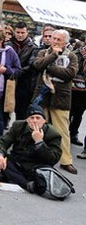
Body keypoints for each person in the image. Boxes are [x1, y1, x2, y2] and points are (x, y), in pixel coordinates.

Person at [32, 29, 79, 175]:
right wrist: (53, 55)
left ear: (65, 42)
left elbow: (69, 74)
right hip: (42, 95)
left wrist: (50, 68)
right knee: (38, 127)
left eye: (59, 40)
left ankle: (66, 161)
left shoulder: (72, 56)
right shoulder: (43, 53)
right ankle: (38, 156)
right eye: (54, 38)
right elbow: (38, 66)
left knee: (63, 131)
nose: (55, 42)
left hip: (61, 98)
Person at [0, 104, 61, 194]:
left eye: (38, 118)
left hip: (36, 167)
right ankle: (26, 183)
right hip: (18, 162)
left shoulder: (53, 134)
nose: (35, 121)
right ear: (27, 120)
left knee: (41, 177)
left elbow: (53, 159)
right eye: (32, 118)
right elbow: (3, 142)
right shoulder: (18, 126)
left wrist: (39, 142)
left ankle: (11, 176)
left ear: (44, 120)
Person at [8, 22, 38, 121]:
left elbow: (31, 65)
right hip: (9, 79)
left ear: (27, 33)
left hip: (24, 82)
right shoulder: (8, 44)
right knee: (5, 106)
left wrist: (17, 72)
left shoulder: (33, 47)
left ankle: (19, 130)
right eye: (18, 32)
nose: (20, 35)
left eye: (22, 32)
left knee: (21, 110)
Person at [69, 41, 86, 146]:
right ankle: (65, 133)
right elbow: (72, 70)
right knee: (69, 112)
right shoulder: (75, 54)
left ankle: (74, 134)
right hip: (73, 89)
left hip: (84, 92)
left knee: (78, 114)